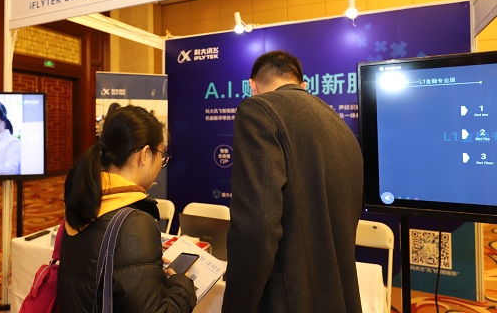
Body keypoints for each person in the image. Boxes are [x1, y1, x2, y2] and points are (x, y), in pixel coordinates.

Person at [222, 50, 364, 312]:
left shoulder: (258, 110)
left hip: (289, 299)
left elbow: (257, 227)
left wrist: (236, 305)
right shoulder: (340, 125)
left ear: (252, 85)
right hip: (337, 296)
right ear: (303, 84)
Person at [58, 105, 197, 313]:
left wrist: (146, 266)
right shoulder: (134, 222)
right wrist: (182, 285)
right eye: (161, 154)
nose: (161, 163)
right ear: (145, 154)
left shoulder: (85, 199)